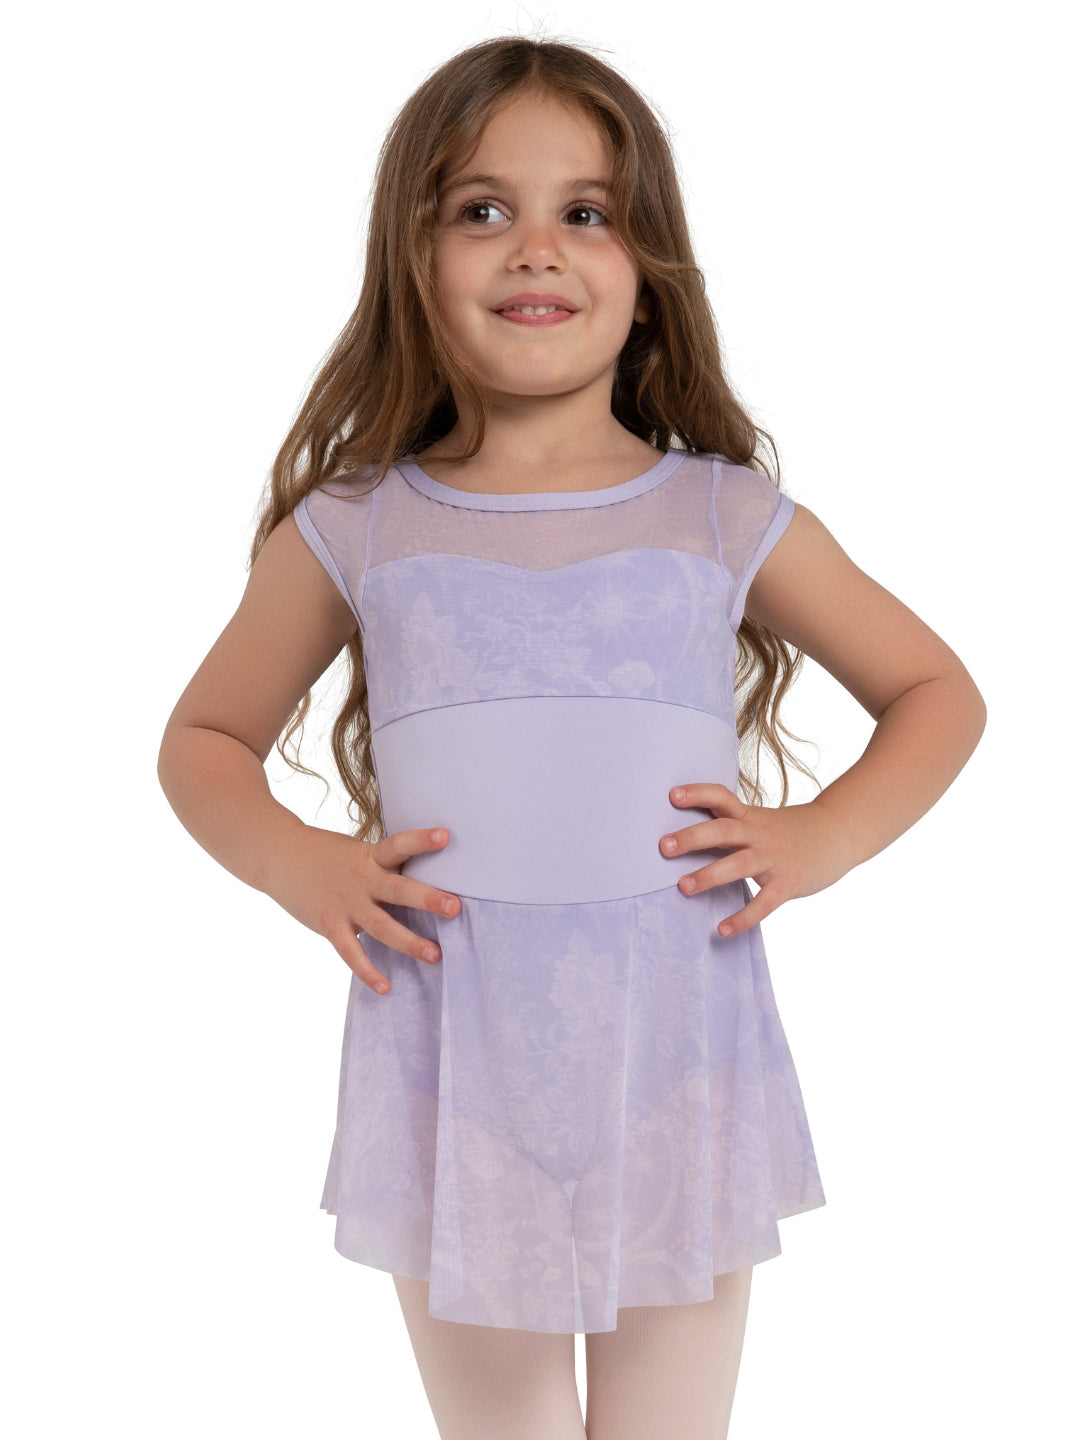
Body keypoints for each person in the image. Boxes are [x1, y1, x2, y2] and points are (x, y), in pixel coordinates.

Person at [156, 33, 986, 1440]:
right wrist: (302, 865)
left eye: (585, 212)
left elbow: (936, 691)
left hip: (678, 1061)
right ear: (411, 257)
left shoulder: (721, 514)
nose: (535, 247)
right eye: (482, 209)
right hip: (454, 1069)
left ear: (647, 268)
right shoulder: (358, 526)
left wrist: (824, 837)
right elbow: (204, 736)